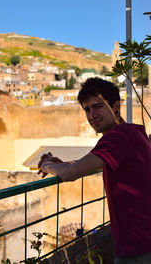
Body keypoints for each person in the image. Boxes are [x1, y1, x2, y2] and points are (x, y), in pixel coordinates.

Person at [38, 77, 151, 264]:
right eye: (87, 110)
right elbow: (91, 163)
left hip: (138, 248)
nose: (92, 115)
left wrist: (46, 165)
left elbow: (69, 174)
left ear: (116, 105)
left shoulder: (115, 138)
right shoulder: (134, 131)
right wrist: (66, 163)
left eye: (97, 106)